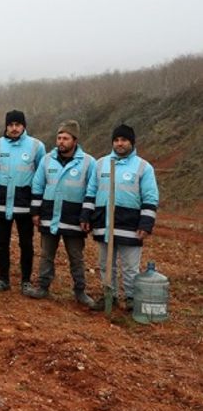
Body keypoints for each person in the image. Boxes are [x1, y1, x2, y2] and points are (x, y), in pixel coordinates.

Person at [85, 124, 159, 311]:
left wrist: (146, 223)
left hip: (130, 224)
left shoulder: (143, 167)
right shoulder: (101, 164)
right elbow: (91, 191)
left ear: (132, 143)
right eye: (116, 140)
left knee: (130, 267)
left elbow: (150, 197)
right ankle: (110, 295)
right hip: (104, 222)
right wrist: (86, 215)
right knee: (105, 264)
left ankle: (132, 298)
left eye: (124, 140)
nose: (119, 144)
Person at [24, 120, 97, 309]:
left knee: (76, 257)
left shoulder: (89, 162)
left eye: (66, 138)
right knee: (46, 254)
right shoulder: (47, 160)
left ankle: (80, 291)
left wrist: (86, 216)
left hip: (74, 219)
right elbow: (38, 185)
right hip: (49, 216)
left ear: (75, 140)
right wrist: (35, 212)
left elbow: (92, 190)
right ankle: (42, 286)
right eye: (59, 137)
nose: (61, 141)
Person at [0, 110, 45, 294]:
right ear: (6, 126)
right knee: (2, 243)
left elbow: (41, 174)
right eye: (10, 125)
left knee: (26, 243)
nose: (14, 128)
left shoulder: (37, 146)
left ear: (23, 126)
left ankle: (26, 281)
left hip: (24, 203)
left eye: (17, 125)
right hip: (2, 202)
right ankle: (3, 279)